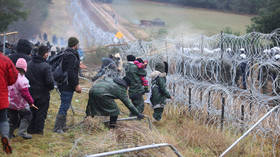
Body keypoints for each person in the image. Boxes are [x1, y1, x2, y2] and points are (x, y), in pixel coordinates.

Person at [53, 37, 81, 133]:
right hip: (67, 84)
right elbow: (71, 73)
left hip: (63, 83)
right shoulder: (71, 56)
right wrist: (76, 85)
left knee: (65, 104)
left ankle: (63, 126)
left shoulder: (66, 53)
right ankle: (57, 128)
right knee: (64, 105)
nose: (78, 45)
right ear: (75, 44)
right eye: (78, 44)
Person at [26, 45, 54, 134]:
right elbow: (49, 82)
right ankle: (38, 131)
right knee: (41, 113)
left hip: (30, 93)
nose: (48, 54)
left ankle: (30, 129)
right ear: (45, 54)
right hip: (43, 94)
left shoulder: (29, 64)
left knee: (31, 111)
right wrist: (51, 88)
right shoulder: (46, 66)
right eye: (47, 53)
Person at [8, 58, 38, 139]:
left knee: (13, 119)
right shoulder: (22, 80)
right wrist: (31, 102)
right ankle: (22, 132)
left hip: (10, 103)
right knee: (28, 115)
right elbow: (26, 94)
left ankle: (9, 134)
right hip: (19, 103)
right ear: (25, 68)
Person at [0, 50, 18, 154]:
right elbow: (13, 77)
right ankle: (5, 137)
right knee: (3, 119)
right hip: (1, 96)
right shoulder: (5, 60)